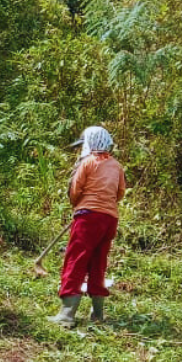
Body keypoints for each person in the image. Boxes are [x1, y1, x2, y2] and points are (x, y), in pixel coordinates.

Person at [48, 125, 127, 328]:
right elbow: (119, 194)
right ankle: (98, 316)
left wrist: (82, 206)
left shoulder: (87, 162)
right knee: (98, 264)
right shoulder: (117, 166)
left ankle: (66, 315)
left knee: (76, 261)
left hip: (87, 218)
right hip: (110, 219)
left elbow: (75, 191)